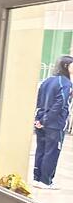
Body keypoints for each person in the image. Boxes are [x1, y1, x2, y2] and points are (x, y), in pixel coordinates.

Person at [33, 55, 73, 190]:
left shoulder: (47, 81)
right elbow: (60, 104)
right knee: (52, 152)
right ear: (66, 66)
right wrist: (45, 120)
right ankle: (46, 181)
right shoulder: (66, 83)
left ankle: (37, 178)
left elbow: (39, 102)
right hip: (54, 125)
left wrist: (38, 120)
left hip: (42, 122)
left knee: (41, 150)